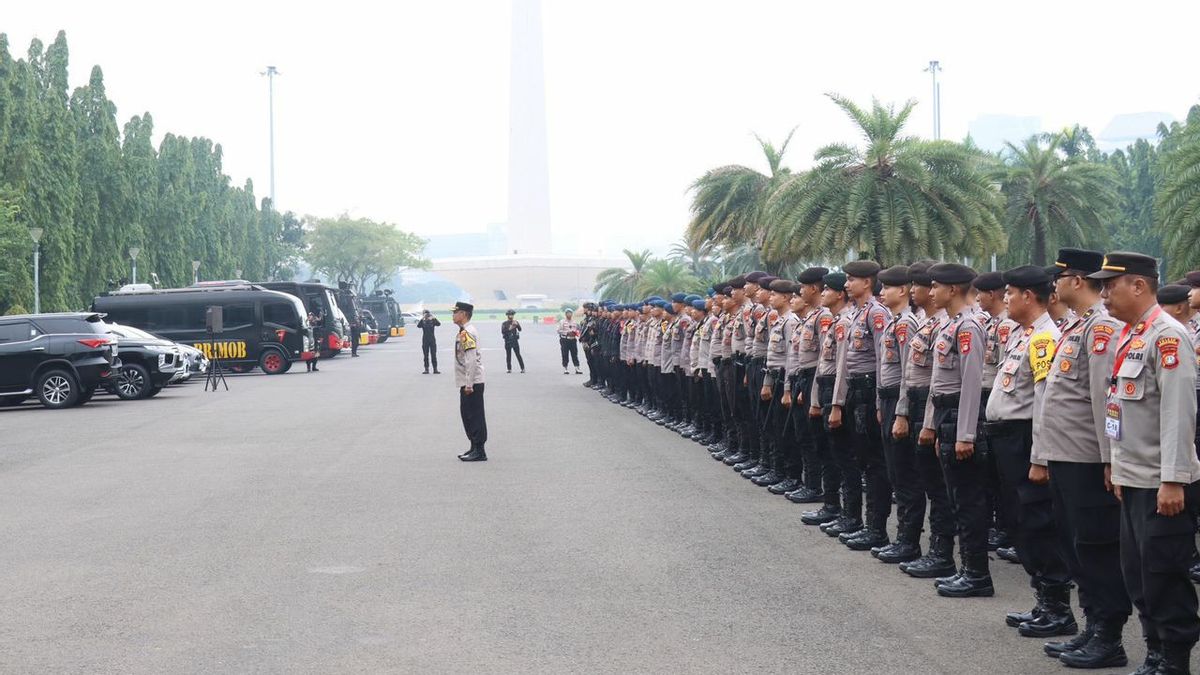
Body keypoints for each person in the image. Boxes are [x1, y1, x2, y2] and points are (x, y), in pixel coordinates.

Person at [1090, 252, 1200, 674]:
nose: (1103, 295)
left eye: (1109, 286)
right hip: (1134, 478)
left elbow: (1177, 413)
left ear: (1138, 286)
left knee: (1165, 575)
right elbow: (1124, 411)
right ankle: (1154, 651)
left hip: (1161, 482)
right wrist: (1117, 468)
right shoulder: (1132, 335)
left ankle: (1173, 661)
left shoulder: (1167, 337)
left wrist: (1173, 480)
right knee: (1138, 575)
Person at [1039, 248, 1131, 668]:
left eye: (1059, 278)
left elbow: (1103, 401)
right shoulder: (1077, 327)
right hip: (1065, 456)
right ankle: (1092, 627)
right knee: (1077, 547)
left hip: (1088, 459)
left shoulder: (1101, 330)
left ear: (1076, 281)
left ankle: (1109, 636)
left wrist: (1110, 460)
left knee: (1096, 548)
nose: (1053, 285)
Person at [984, 265, 1075, 637]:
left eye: (1010, 292)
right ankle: (1043, 601)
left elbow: (1043, 402)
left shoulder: (1043, 339)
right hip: (1008, 438)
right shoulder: (1024, 336)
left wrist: (1039, 456)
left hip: (1024, 440)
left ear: (1028, 296)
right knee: (1019, 521)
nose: (1005, 298)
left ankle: (1058, 608)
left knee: (1037, 522)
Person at [922, 262, 992, 598]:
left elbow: (971, 384)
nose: (930, 291)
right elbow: (940, 384)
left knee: (968, 500)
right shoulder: (951, 326)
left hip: (961, 418)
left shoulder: (968, 328)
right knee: (957, 497)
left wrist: (966, 434)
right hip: (947, 415)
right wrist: (934, 425)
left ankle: (977, 573)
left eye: (936, 286)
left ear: (953, 289)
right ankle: (967, 569)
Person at [452, 301, 488, 462]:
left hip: (472, 382)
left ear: (463, 314)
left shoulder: (467, 332)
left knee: (475, 416)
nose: (453, 315)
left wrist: (469, 384)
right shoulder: (464, 331)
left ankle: (480, 450)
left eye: (456, 312)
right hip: (468, 381)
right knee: (467, 415)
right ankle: (474, 447)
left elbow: (471, 359)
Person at [558, 309, 583, 374]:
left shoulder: (574, 322)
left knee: (574, 354)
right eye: (568, 313)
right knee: (565, 354)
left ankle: (577, 368)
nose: (569, 314)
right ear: (565, 314)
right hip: (565, 339)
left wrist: (575, 333)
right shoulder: (562, 322)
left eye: (570, 313)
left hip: (572, 339)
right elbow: (559, 330)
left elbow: (578, 330)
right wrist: (567, 333)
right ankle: (565, 368)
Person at [417, 309, 441, 374]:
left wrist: (434, 318)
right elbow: (418, 326)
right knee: (425, 355)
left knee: (433, 354)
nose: (427, 315)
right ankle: (426, 369)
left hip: (432, 340)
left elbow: (439, 324)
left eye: (427, 313)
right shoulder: (423, 321)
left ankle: (435, 369)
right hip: (425, 340)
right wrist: (422, 318)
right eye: (425, 314)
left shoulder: (432, 320)